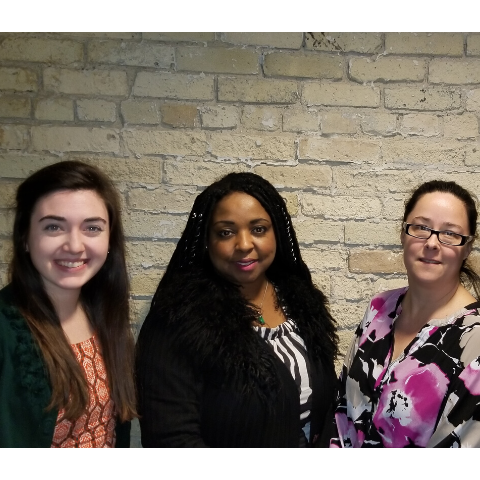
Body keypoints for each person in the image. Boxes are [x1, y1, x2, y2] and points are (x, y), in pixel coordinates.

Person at [136, 172, 338, 447]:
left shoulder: (302, 302)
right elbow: (171, 441)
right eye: (226, 232)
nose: (244, 245)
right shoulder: (177, 320)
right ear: (207, 241)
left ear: (276, 232)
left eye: (258, 229)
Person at [331, 180, 480, 448]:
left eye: (450, 234)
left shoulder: (475, 340)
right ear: (403, 234)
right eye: (421, 228)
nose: (432, 243)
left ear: (467, 247)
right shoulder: (379, 307)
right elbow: (342, 408)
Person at [0, 160, 136, 447]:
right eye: (53, 227)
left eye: (92, 228)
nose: (75, 245)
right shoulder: (6, 327)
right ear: (25, 237)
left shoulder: (105, 314)